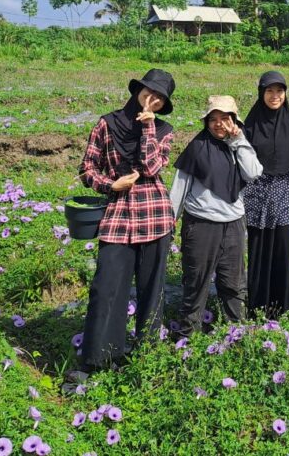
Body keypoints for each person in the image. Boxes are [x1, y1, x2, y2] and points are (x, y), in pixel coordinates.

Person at [76, 68, 176, 373]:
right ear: (138, 89)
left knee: (152, 289)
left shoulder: (164, 130)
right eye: (150, 92)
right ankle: (101, 359)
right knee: (107, 288)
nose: (153, 100)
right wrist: (110, 185)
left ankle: (147, 355)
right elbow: (86, 169)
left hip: (156, 217)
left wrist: (147, 128)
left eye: (160, 98)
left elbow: (150, 167)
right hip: (119, 216)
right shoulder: (107, 124)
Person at [170, 96, 263, 337]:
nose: (218, 124)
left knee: (233, 283)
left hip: (233, 224)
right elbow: (179, 188)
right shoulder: (198, 147)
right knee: (196, 281)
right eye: (213, 119)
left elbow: (253, 172)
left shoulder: (239, 145)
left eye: (225, 118)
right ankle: (188, 336)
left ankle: (236, 332)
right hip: (201, 225)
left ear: (235, 121)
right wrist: (169, 221)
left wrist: (238, 141)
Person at [242, 71, 289, 319]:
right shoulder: (249, 126)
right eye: (269, 91)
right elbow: (241, 164)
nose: (275, 96)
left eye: (279, 91)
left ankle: (286, 310)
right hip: (256, 202)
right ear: (261, 93)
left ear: (285, 93)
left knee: (285, 255)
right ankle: (258, 308)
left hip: (286, 202)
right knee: (259, 255)